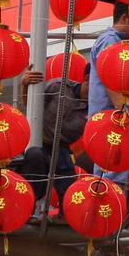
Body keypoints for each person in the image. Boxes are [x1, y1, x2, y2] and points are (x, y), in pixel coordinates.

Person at [21, 62, 90, 212]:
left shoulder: (97, 107)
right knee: (34, 157)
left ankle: (66, 216)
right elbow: (30, 105)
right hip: (38, 141)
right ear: (87, 79)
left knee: (67, 182)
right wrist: (25, 86)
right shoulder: (59, 86)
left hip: (61, 148)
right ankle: (26, 209)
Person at [88, 1, 129, 192]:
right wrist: (121, 110)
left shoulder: (118, 42)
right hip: (111, 117)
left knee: (115, 167)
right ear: (124, 18)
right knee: (110, 169)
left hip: (112, 116)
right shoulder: (110, 40)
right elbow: (109, 76)